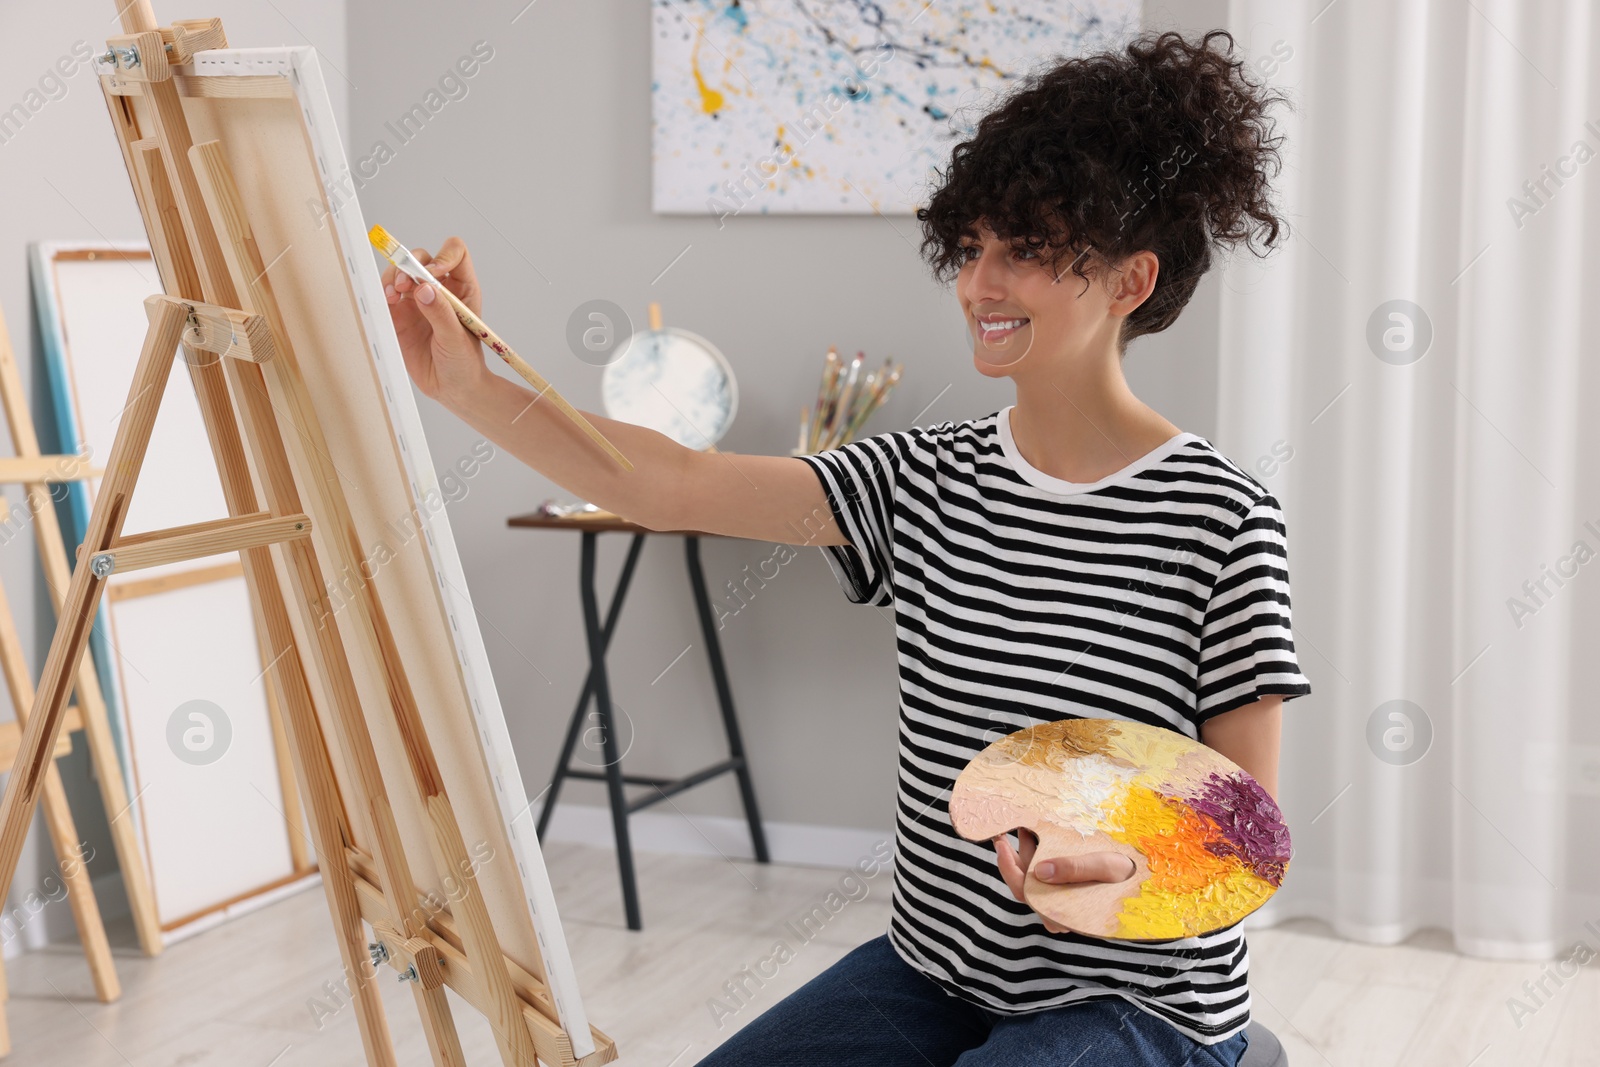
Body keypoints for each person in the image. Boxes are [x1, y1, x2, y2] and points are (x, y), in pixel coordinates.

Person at [382, 26, 1308, 1067]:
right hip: (937, 971)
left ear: (1132, 281)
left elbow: (1244, 832)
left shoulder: (1218, 514)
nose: (979, 284)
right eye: (972, 248)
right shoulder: (920, 477)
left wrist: (1104, 865)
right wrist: (466, 384)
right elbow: (669, 480)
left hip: (1138, 1004)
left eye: (1029, 251)